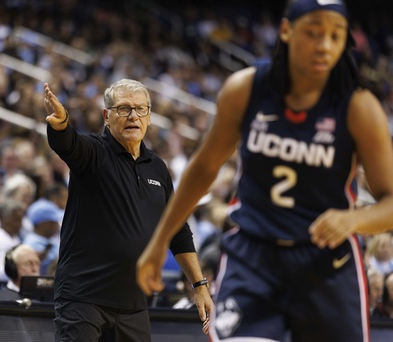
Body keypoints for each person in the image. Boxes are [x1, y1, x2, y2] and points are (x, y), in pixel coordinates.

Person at [137, 1, 393, 341]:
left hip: (326, 265)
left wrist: (353, 220)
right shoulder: (246, 89)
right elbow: (204, 168)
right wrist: (159, 242)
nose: (325, 46)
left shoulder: (359, 107)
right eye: (314, 33)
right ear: (286, 30)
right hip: (255, 256)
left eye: (336, 36)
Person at [44, 78, 213, 341]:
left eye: (140, 109)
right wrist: (61, 122)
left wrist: (199, 285)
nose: (133, 116)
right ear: (106, 116)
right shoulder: (93, 153)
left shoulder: (157, 167)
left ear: (149, 116)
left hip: (134, 304)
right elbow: (68, 143)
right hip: (84, 298)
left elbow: (177, 230)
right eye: (123, 109)